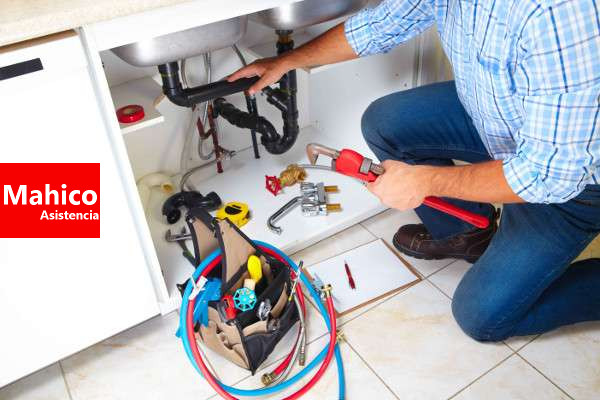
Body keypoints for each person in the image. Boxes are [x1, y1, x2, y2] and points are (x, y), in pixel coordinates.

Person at [228, 0, 600, 341]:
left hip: (573, 184)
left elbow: (550, 175)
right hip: (502, 125)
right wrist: (288, 61)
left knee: (482, 317)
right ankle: (467, 234)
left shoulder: (557, 12)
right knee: (385, 122)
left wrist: (427, 180)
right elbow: (380, 24)